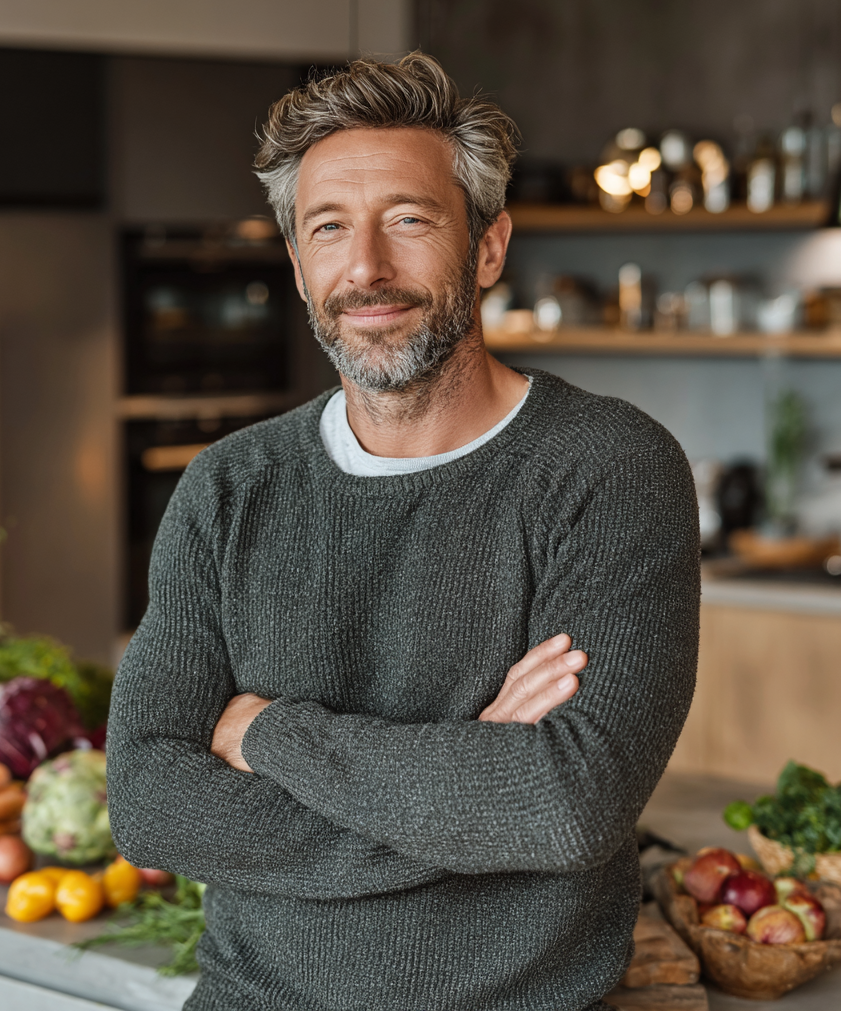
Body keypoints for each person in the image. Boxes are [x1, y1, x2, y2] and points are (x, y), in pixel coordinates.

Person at [107, 53, 699, 1011]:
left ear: (490, 246)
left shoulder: (611, 469)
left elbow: (566, 804)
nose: (366, 269)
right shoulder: (229, 487)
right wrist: (466, 779)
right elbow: (149, 802)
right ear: (298, 264)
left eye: (411, 221)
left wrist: (268, 734)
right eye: (328, 228)